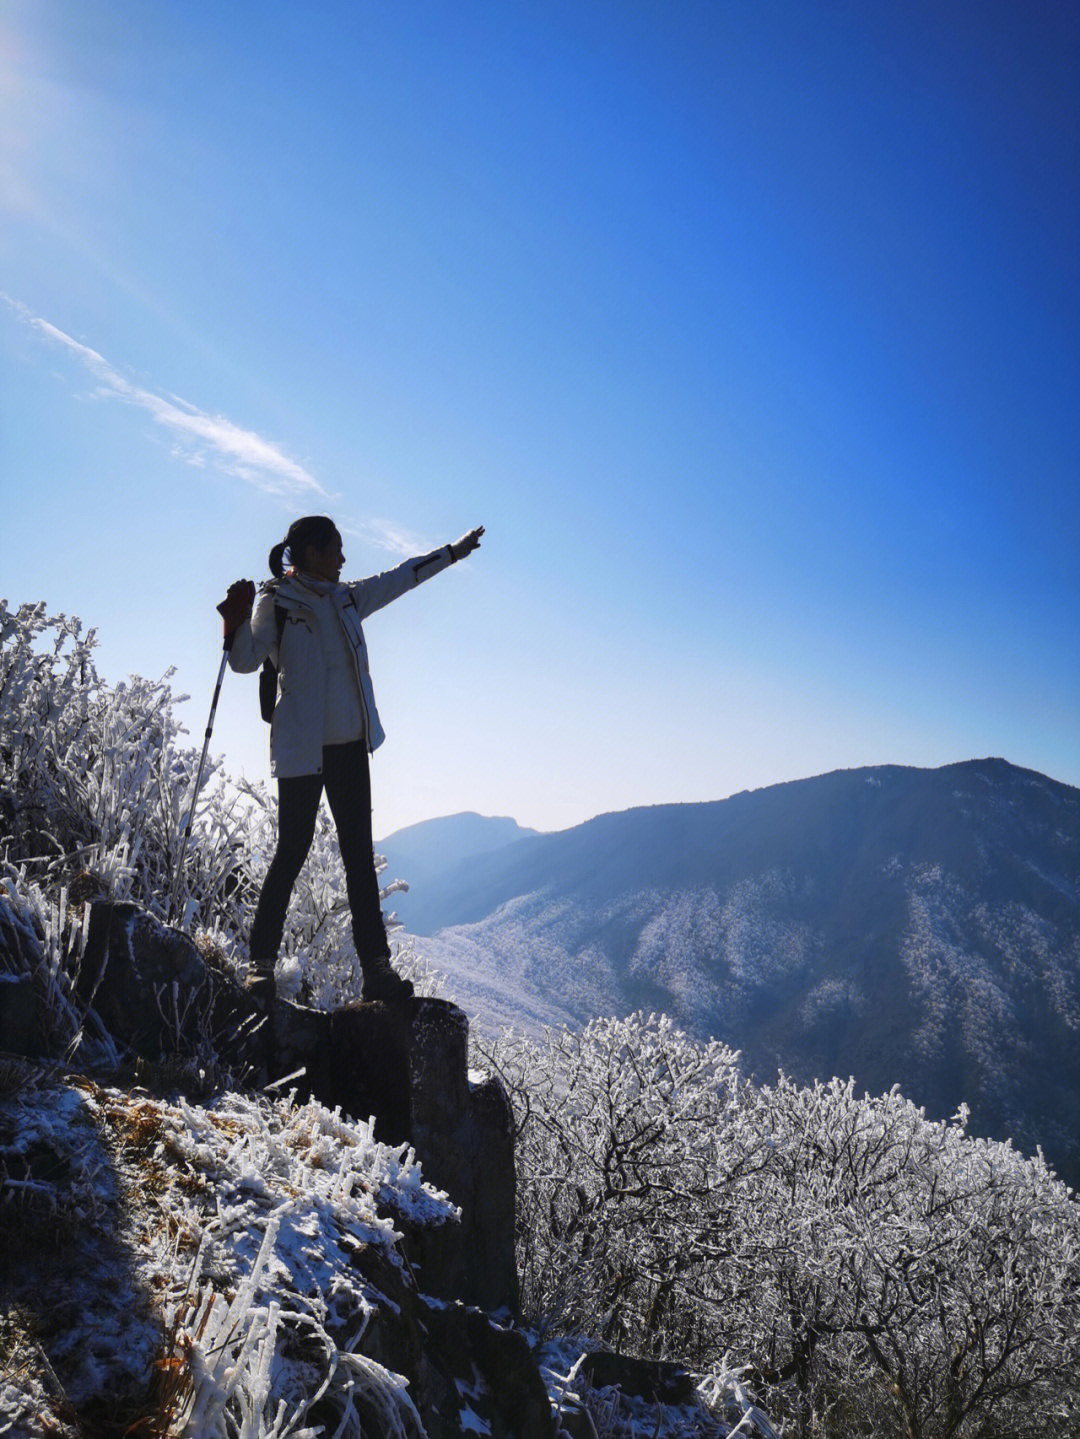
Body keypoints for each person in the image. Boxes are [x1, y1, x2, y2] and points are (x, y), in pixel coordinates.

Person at [218, 515, 483, 1006]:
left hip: (348, 745)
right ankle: (260, 966)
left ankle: (376, 970)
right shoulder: (276, 601)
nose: (343, 559)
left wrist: (452, 553)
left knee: (359, 857)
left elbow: (402, 577)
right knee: (291, 854)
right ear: (312, 552)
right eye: (336, 549)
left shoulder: (347, 597)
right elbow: (243, 661)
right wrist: (232, 622)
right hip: (301, 748)